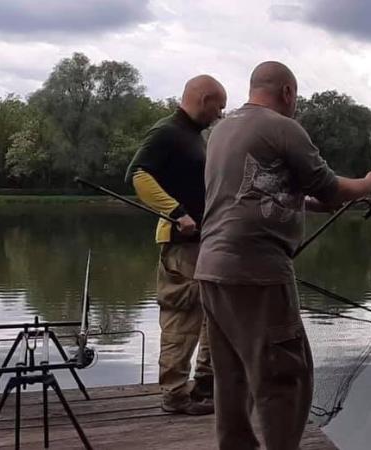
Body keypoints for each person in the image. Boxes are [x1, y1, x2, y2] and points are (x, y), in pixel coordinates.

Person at [195, 61, 371, 450]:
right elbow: (331, 187)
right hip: (257, 271)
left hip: (213, 269)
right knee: (285, 374)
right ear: (287, 92)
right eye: (295, 96)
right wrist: (370, 184)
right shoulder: (282, 127)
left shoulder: (222, 129)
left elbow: (263, 193)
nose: (295, 104)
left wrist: (322, 203)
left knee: (232, 375)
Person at [125, 74, 226, 415]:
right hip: (181, 245)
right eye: (219, 106)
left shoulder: (195, 137)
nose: (220, 114)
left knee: (214, 315)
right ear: (203, 99)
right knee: (182, 316)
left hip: (207, 243)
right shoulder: (166, 131)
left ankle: (203, 387)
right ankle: (174, 394)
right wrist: (176, 213)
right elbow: (138, 174)